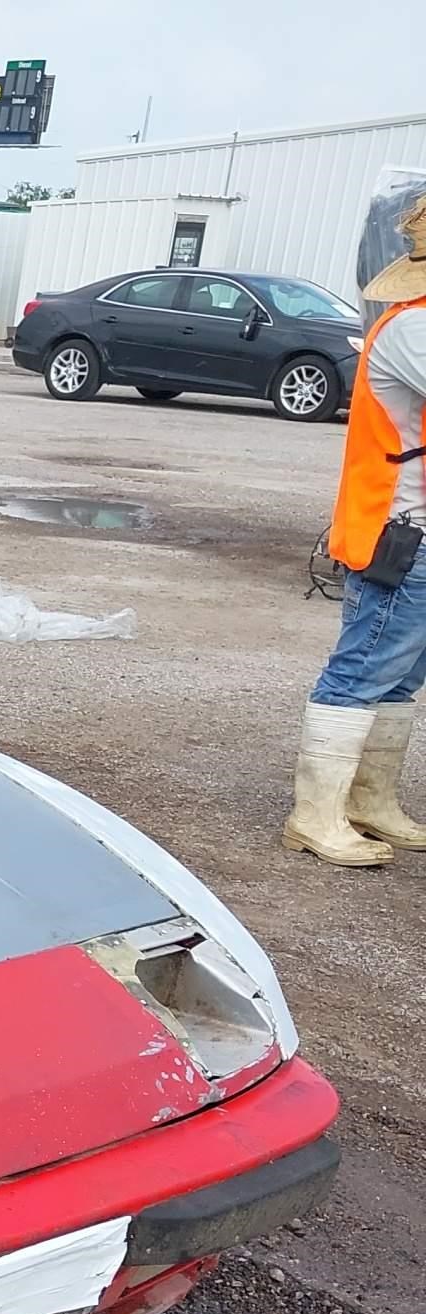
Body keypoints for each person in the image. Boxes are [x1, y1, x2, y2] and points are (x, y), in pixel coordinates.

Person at [284, 191, 426, 865]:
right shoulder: (412, 328)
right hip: (402, 533)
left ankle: (369, 802)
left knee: (399, 676)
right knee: (362, 672)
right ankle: (316, 816)